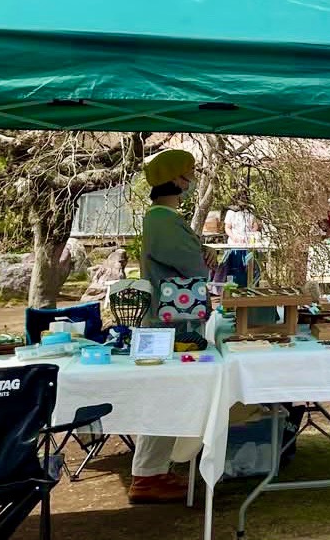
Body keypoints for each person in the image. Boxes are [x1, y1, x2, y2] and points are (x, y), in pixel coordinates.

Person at [130, 148, 210, 504]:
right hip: (171, 323)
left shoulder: (163, 218)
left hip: (172, 319)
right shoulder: (162, 219)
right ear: (176, 179)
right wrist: (203, 256)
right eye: (188, 174)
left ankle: (155, 471)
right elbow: (192, 265)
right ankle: (148, 476)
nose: (191, 181)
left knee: (166, 396)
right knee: (164, 397)